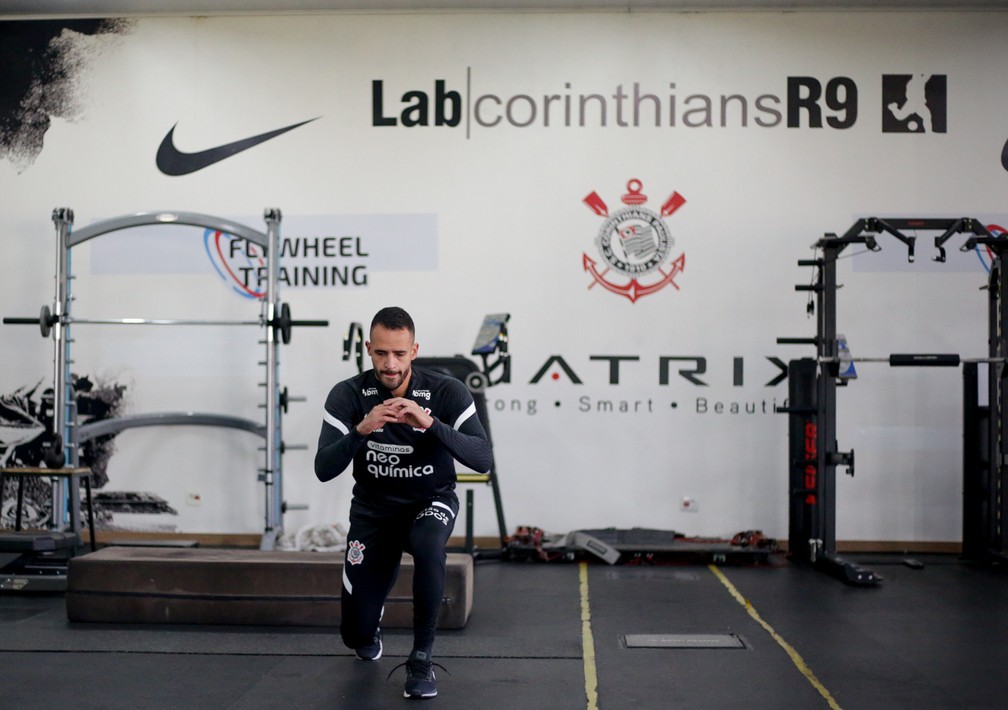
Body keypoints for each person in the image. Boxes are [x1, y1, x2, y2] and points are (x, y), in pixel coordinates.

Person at [314, 306, 493, 700]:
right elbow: (323, 469)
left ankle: (421, 659)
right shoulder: (348, 394)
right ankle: (369, 622)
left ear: (414, 350)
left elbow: (482, 459)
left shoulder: (446, 392)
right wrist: (362, 429)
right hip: (374, 512)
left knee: (430, 545)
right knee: (356, 637)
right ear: (369, 350)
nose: (390, 364)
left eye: (398, 354)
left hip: (429, 502)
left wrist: (429, 423)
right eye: (381, 354)